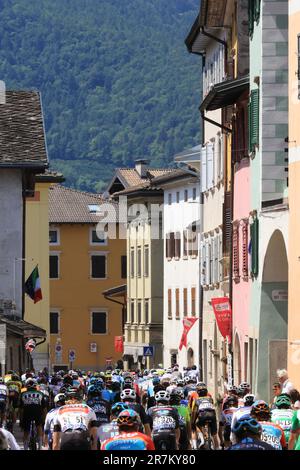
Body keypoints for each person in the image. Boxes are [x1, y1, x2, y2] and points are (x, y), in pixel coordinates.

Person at [191, 384, 220, 450]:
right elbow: (212, 408)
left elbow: (194, 412)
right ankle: (217, 447)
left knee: (196, 424)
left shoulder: (196, 400)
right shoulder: (210, 399)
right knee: (214, 434)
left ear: (198, 393)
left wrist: (192, 422)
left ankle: (203, 439)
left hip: (202, 416)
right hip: (212, 416)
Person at [19, 378, 45, 450]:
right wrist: (44, 418)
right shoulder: (41, 393)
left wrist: (21, 419)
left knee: (26, 430)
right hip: (37, 412)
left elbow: (21, 409)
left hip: (27, 412)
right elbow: (44, 408)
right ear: (35, 386)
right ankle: (40, 446)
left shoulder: (23, 394)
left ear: (26, 386)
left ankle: (25, 447)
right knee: (39, 426)